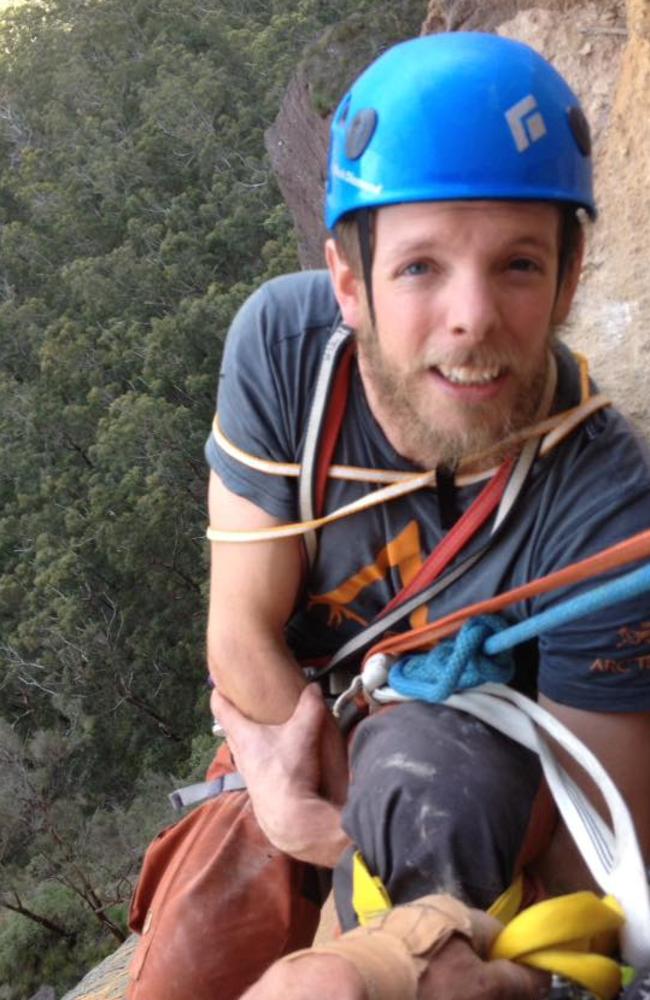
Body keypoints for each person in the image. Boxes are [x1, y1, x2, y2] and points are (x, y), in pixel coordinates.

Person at [127, 31, 650, 1000]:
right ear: (347, 283)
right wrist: (285, 799)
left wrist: (513, 959)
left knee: (421, 784)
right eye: (418, 268)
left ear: (567, 281)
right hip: (307, 720)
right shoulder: (289, 354)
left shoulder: (602, 497)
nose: (471, 317)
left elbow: (602, 817)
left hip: (466, 762)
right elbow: (240, 630)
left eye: (518, 266)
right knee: (187, 953)